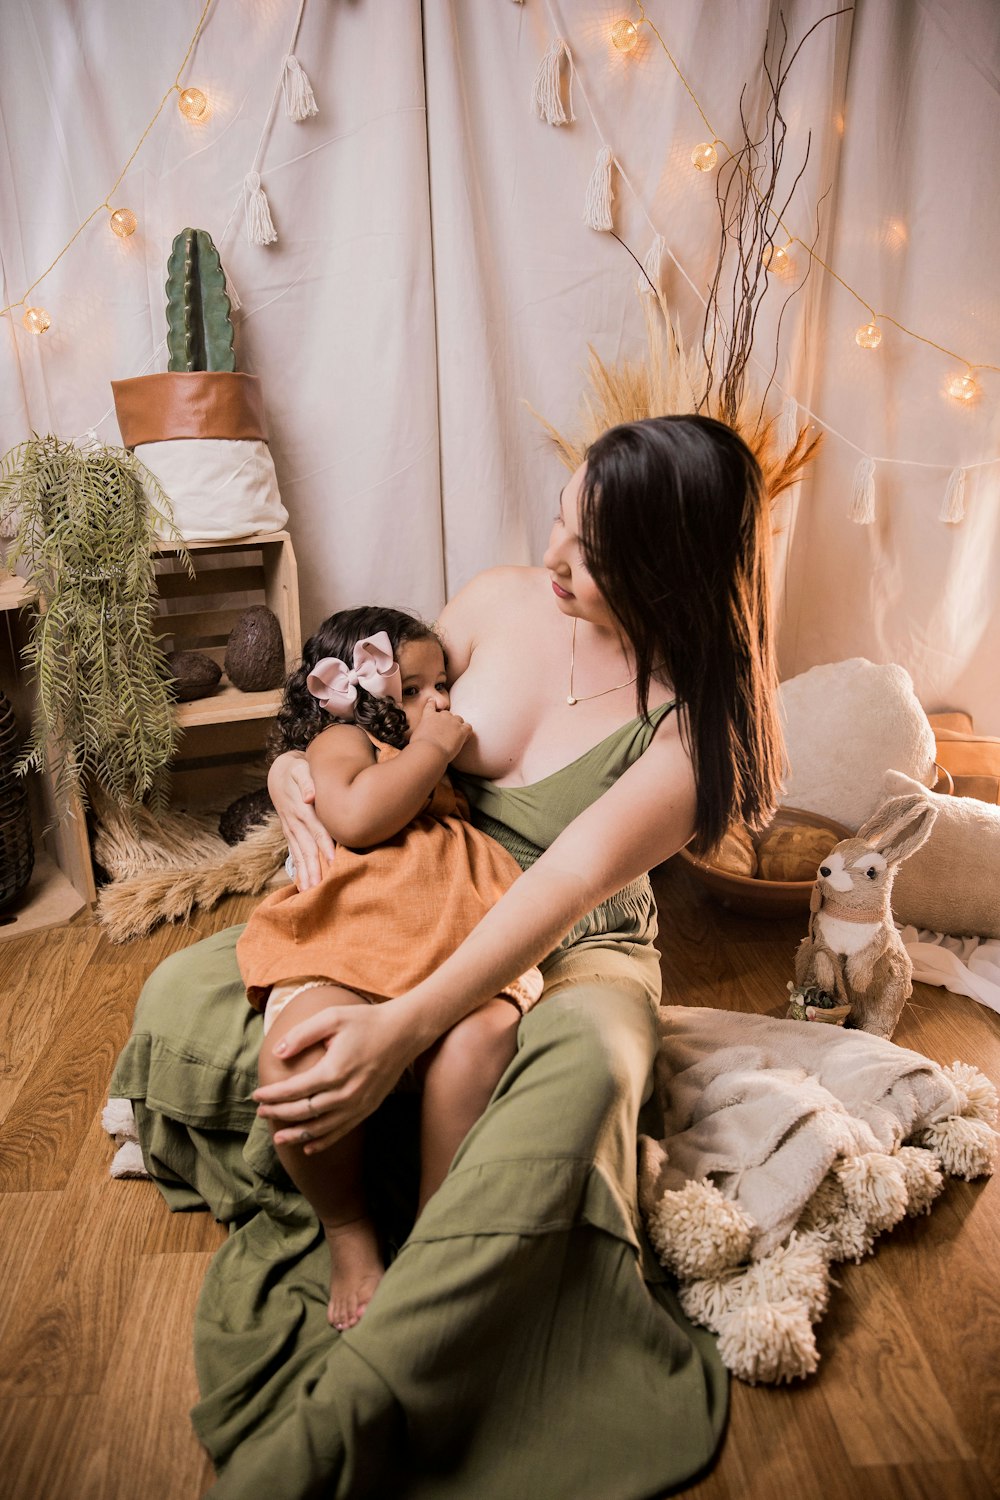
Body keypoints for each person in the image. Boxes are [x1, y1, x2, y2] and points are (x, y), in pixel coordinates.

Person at [110, 414, 784, 1499]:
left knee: (585, 1075)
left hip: (572, 943)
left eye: (592, 555)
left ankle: (413, 1336)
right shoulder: (499, 600)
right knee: (192, 987)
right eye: (561, 523)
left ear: (671, 571)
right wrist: (293, 773)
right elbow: (361, 715)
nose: (553, 562)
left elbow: (563, 887)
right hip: (424, 883)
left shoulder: (694, 733)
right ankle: (360, 1205)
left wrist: (402, 1025)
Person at [238, 605, 542, 1331]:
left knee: (478, 1041)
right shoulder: (346, 741)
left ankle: (437, 1230)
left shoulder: (437, 763)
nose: (437, 704)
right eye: (411, 689)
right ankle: (348, 1230)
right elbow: (358, 818)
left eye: (443, 687)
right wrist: (429, 750)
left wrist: (434, 751)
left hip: (457, 937)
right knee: (294, 1060)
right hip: (350, 934)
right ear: (348, 694)